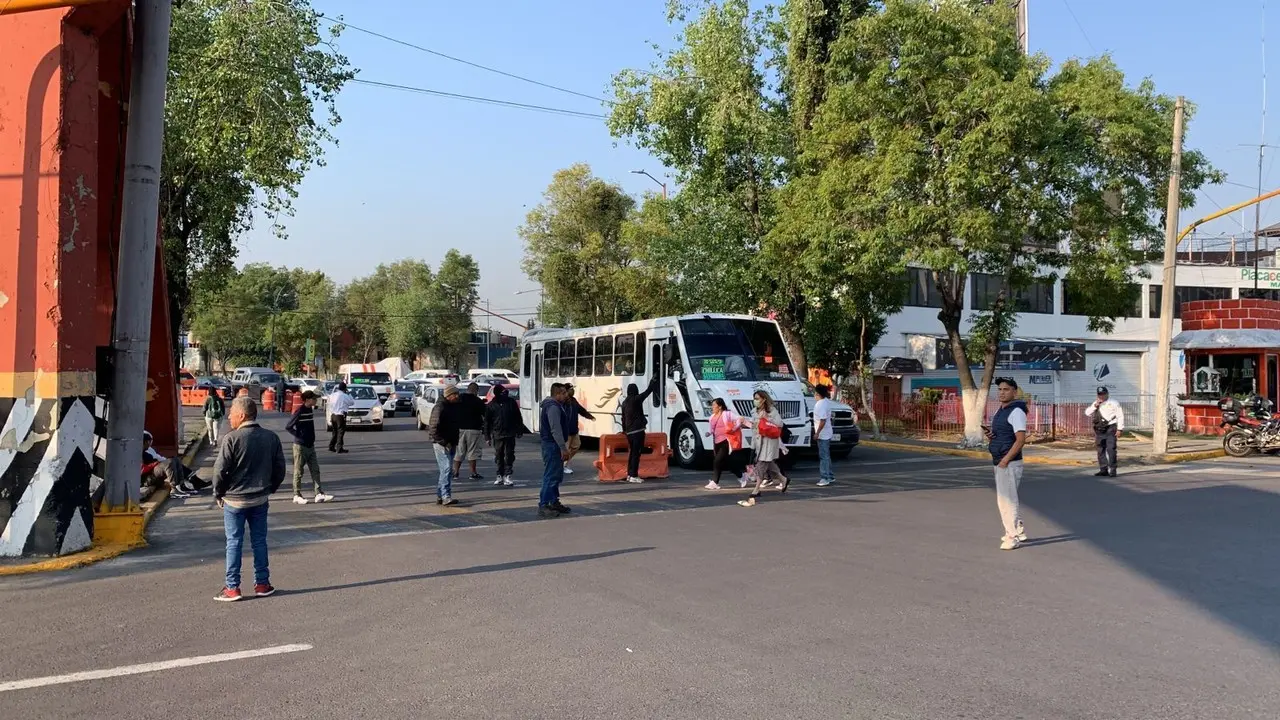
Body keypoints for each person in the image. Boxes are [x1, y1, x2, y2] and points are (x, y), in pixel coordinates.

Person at [213, 397, 286, 602]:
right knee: (259, 541)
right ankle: (262, 583)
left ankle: (232, 587)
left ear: (242, 415)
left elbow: (219, 471)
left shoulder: (232, 439)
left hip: (234, 501)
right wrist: (270, 488)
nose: (229, 416)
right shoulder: (271, 438)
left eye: (232, 413)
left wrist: (218, 493)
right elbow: (280, 468)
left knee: (234, 543)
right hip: (260, 499)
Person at [984, 378, 1029, 551]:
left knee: (1007, 501)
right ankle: (1017, 528)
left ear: (1014, 392)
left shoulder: (1016, 411)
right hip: (1000, 460)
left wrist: (1005, 460)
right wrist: (991, 436)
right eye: (1000, 389)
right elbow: (1004, 434)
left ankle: (1012, 536)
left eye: (1006, 389)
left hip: (1008, 463)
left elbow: (1020, 440)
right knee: (1007, 498)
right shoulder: (1001, 411)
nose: (1002, 392)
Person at [738, 390, 789, 507]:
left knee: (761, 464)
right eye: (754, 398)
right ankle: (783, 479)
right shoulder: (754, 412)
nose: (755, 401)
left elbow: (779, 424)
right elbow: (755, 427)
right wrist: (745, 423)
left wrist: (767, 418)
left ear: (764, 399)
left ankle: (756, 489)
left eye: (757, 398)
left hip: (769, 441)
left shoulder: (771, 411)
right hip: (759, 441)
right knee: (768, 463)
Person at [285, 390, 333, 505]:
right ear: (307, 400)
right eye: (314, 399)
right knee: (298, 471)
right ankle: (296, 495)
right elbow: (288, 426)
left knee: (315, 470)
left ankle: (318, 493)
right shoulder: (300, 411)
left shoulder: (310, 410)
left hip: (310, 446)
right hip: (300, 446)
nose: (316, 400)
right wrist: (299, 436)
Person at [537, 383, 573, 517]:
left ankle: (553, 501)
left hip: (552, 444)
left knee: (556, 475)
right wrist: (563, 448)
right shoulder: (553, 407)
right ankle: (544, 504)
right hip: (552, 445)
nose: (566, 395)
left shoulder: (556, 406)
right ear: (557, 394)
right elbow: (555, 429)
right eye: (563, 393)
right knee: (551, 475)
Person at [484, 383, 528, 486]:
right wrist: (487, 437)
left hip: (510, 433)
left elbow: (518, 417)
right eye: (503, 392)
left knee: (509, 454)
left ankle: (508, 475)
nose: (505, 394)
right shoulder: (491, 405)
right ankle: (500, 474)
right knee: (499, 455)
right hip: (497, 434)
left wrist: (519, 429)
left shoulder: (511, 402)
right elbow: (487, 422)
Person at [142, 430, 206, 497]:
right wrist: (155, 464)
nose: (150, 444)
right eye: (148, 441)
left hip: (152, 474)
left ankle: (181, 486)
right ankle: (174, 490)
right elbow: (141, 469)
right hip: (146, 479)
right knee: (169, 463)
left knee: (175, 459)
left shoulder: (147, 451)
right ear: (144, 442)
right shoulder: (138, 454)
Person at [620, 380, 658, 484]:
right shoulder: (636, 399)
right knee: (636, 454)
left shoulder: (624, 403)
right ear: (635, 391)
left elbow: (623, 418)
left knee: (632, 453)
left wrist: (624, 430)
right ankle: (633, 475)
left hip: (629, 433)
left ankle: (629, 474)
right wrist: (652, 383)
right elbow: (647, 392)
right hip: (638, 431)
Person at [705, 398, 748, 490]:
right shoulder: (712, 417)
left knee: (717, 461)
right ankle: (742, 476)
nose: (712, 407)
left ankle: (714, 482)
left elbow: (740, 419)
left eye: (714, 405)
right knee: (728, 463)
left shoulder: (727, 414)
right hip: (716, 442)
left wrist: (734, 428)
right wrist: (708, 433)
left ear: (720, 406)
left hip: (726, 441)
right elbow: (711, 429)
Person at [430, 385, 462, 506]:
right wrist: (443, 442)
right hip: (441, 444)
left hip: (451, 442)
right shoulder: (440, 407)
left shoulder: (453, 407)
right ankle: (445, 496)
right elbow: (433, 429)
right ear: (449, 395)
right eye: (455, 394)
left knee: (445, 470)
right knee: (447, 469)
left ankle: (440, 495)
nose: (457, 396)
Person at [1085, 386, 1124, 477]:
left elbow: (1120, 416)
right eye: (1100, 394)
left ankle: (1113, 469)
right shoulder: (1096, 403)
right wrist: (1095, 406)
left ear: (1107, 394)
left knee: (1111, 449)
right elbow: (1087, 413)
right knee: (1100, 450)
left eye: (1103, 394)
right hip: (1100, 429)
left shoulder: (1114, 402)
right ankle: (1103, 469)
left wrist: (1120, 429)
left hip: (1111, 427)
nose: (1102, 396)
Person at [453, 382, 487, 481]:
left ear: (467, 389)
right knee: (472, 452)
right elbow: (485, 414)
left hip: (460, 429)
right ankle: (473, 473)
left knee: (459, 451)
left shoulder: (460, 399)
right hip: (474, 429)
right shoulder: (477, 401)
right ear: (476, 391)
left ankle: (456, 472)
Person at [561, 384, 596, 475]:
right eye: (571, 389)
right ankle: (563, 465)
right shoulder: (563, 402)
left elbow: (581, 410)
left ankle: (563, 462)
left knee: (576, 446)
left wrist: (590, 416)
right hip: (566, 431)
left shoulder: (574, 401)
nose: (572, 391)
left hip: (574, 430)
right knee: (567, 449)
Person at [813, 384, 836, 487]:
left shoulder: (820, 404)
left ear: (818, 394)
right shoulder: (826, 402)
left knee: (823, 456)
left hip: (823, 434)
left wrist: (817, 433)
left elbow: (822, 420)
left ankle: (825, 477)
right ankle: (830, 475)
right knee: (826, 455)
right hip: (827, 432)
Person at [326, 382, 353, 454]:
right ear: (345, 389)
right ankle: (339, 448)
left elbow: (329, 403)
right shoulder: (344, 396)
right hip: (340, 416)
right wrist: (349, 394)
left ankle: (331, 446)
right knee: (340, 432)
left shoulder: (332, 395)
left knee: (334, 432)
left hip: (333, 415)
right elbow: (352, 402)